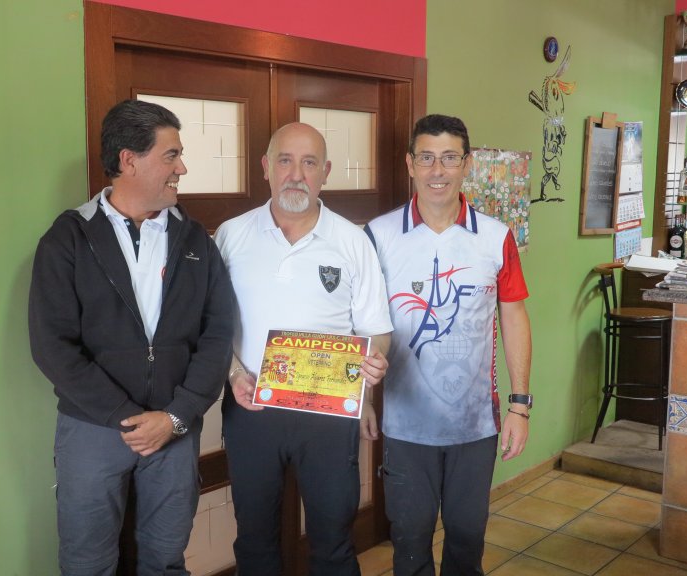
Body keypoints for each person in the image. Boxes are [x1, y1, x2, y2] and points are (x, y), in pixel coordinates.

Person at [28, 99, 235, 576]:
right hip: (93, 428)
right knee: (87, 564)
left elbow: (218, 333)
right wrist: (125, 417)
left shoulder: (196, 241)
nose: (182, 168)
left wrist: (177, 415)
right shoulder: (68, 239)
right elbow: (52, 345)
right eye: (171, 155)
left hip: (174, 428)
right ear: (129, 160)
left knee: (165, 560)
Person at [214, 122, 393, 576]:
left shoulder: (352, 241)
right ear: (266, 167)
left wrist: (371, 371)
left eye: (309, 162)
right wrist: (233, 373)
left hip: (329, 414)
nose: (296, 174)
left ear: (325, 172)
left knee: (333, 541)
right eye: (285, 161)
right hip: (252, 407)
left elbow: (376, 329)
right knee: (255, 540)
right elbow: (210, 327)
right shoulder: (231, 235)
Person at [363, 114, 533, 576]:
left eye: (449, 158)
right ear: (410, 164)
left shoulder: (496, 237)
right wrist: (362, 402)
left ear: (467, 164)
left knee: (467, 537)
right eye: (426, 158)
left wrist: (520, 406)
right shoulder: (378, 236)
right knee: (410, 539)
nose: (437, 170)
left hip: (475, 426)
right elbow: (362, 323)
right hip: (405, 425)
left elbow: (514, 317)